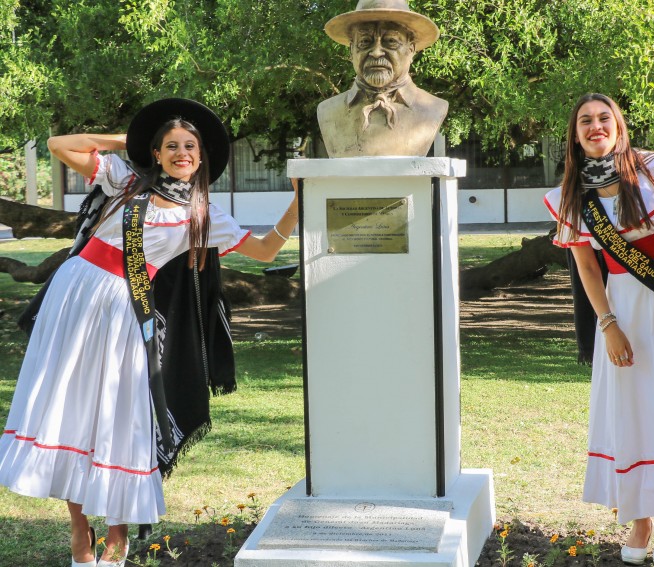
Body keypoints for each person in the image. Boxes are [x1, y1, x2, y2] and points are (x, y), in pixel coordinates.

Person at [0, 98, 299, 567]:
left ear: (201, 158)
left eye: (190, 146)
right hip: (73, 299)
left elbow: (263, 251)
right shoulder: (126, 181)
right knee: (67, 409)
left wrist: (298, 203)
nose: (182, 153)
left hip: (123, 307)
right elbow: (60, 145)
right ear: (157, 154)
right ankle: (80, 529)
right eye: (171, 146)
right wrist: (132, 142)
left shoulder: (203, 215)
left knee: (119, 417)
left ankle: (115, 542)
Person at [544, 93, 654, 565]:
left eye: (604, 118)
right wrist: (607, 325)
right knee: (631, 410)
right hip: (622, 307)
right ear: (576, 133)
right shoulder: (571, 190)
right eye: (585, 120)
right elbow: (587, 266)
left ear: (620, 125)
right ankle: (639, 518)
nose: (595, 126)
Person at [318, 0, 448, 157]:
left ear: (411, 50)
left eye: (391, 41)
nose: (376, 52)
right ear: (351, 51)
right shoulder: (328, 111)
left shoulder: (433, 108)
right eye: (365, 41)